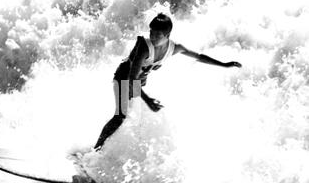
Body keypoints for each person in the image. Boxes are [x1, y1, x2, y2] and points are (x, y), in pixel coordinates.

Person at [94, 13, 242, 151]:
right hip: (124, 78)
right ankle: (96, 149)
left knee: (137, 119)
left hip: (139, 83)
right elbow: (131, 78)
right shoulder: (144, 47)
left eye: (158, 35)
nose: (153, 36)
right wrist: (148, 100)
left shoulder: (175, 48)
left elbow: (198, 56)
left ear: (167, 35)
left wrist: (224, 64)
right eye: (151, 32)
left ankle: (115, 154)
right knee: (120, 115)